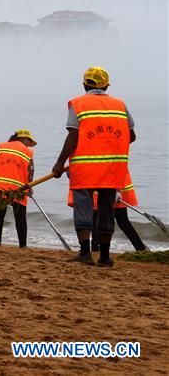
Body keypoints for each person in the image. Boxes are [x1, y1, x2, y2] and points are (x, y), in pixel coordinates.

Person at [52, 66, 135, 267]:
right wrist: (108, 143)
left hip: (85, 167)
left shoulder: (78, 103)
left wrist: (60, 162)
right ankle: (105, 257)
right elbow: (131, 135)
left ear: (84, 85)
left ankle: (85, 253)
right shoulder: (120, 105)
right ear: (106, 86)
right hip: (112, 168)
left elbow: (73, 135)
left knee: (83, 208)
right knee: (107, 209)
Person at [68, 174, 147, 253]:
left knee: (117, 220)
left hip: (110, 185)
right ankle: (95, 248)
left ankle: (140, 248)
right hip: (103, 185)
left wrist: (117, 190)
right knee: (102, 219)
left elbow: (118, 169)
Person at [0, 129, 36, 248]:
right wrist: (29, 187)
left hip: (0, 186)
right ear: (23, 139)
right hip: (19, 189)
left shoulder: (1, 146)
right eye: (28, 141)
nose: (28, 145)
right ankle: (22, 245)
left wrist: (2, 166)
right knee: (20, 217)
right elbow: (30, 172)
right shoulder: (28, 152)